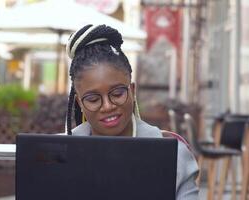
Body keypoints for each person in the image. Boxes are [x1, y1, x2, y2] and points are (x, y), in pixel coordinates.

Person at [65, 24, 199, 199]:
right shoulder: (61, 155)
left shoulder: (173, 154)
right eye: (93, 99)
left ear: (133, 91)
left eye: (118, 93)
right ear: (79, 103)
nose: (107, 106)